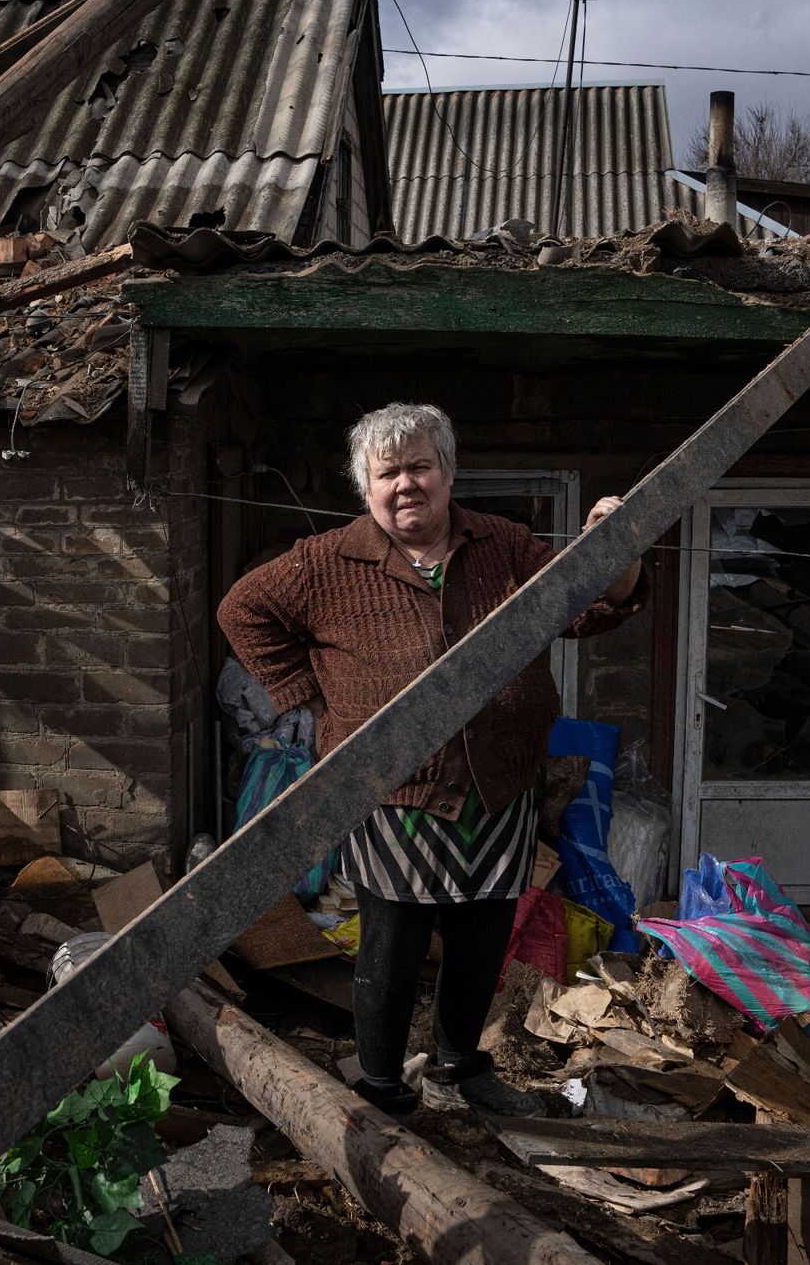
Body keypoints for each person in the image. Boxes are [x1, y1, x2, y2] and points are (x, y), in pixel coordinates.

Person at [217, 403, 647, 1116]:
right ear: (366, 485)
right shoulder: (326, 561)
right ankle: (382, 1084)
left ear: (447, 472)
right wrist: (312, 701)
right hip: (393, 788)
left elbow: (585, 608)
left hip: (497, 783)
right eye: (388, 472)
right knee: (393, 942)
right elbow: (241, 611)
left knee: (482, 936)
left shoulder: (504, 545)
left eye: (419, 466)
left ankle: (459, 1064)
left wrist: (619, 554)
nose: (405, 483)